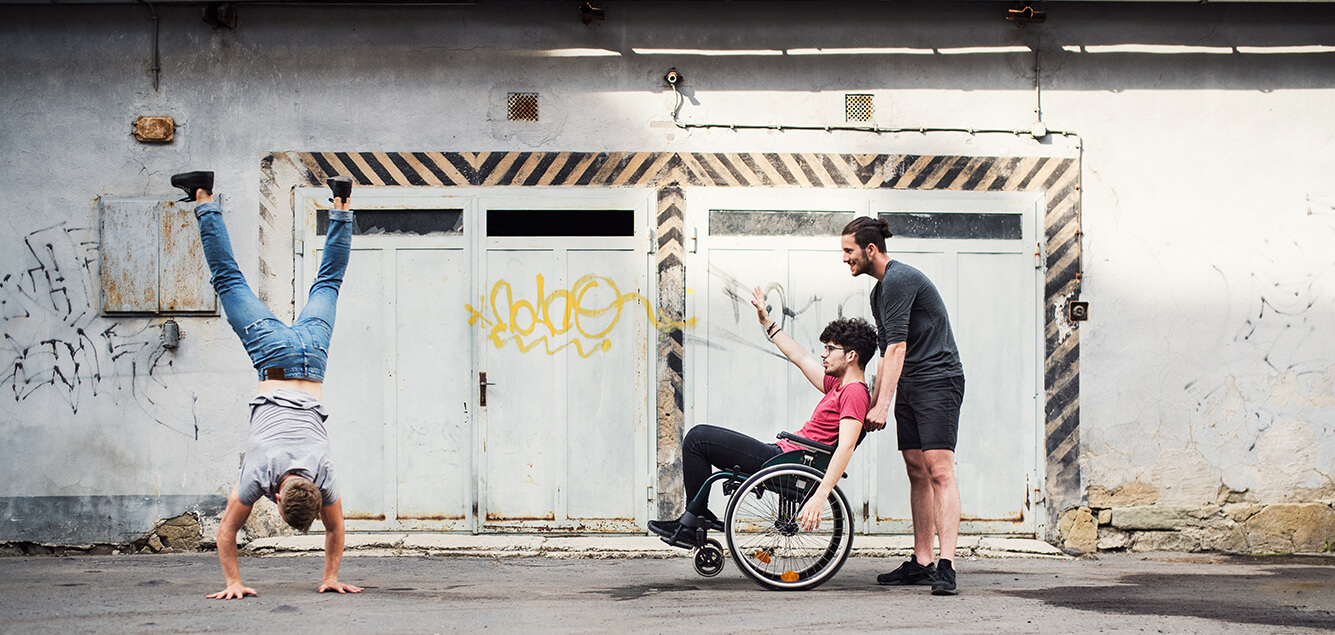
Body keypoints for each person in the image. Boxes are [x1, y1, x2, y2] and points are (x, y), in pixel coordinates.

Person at [170, 170, 363, 600]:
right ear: (276, 498)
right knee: (228, 279)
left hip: (313, 357)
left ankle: (341, 204)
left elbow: (336, 529)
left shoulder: (324, 473)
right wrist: (233, 583)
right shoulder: (260, 471)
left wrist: (332, 575)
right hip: (272, 357)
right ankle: (203, 195)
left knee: (329, 281)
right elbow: (227, 530)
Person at [649, 286, 876, 544]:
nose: (823, 354)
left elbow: (845, 446)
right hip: (785, 455)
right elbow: (801, 357)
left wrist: (821, 494)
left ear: (851, 355)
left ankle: (693, 520)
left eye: (830, 348)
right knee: (698, 439)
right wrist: (767, 323)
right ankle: (694, 517)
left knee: (698, 439)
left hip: (789, 462)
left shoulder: (854, 393)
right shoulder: (839, 385)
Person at [841, 216, 965, 596]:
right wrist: (873, 402)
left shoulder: (900, 279)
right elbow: (884, 353)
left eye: (848, 251)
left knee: (939, 470)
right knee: (916, 468)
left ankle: (947, 565)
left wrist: (882, 406)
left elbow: (897, 348)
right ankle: (922, 562)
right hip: (910, 382)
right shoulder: (879, 293)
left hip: (937, 380)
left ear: (870, 249)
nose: (845, 258)